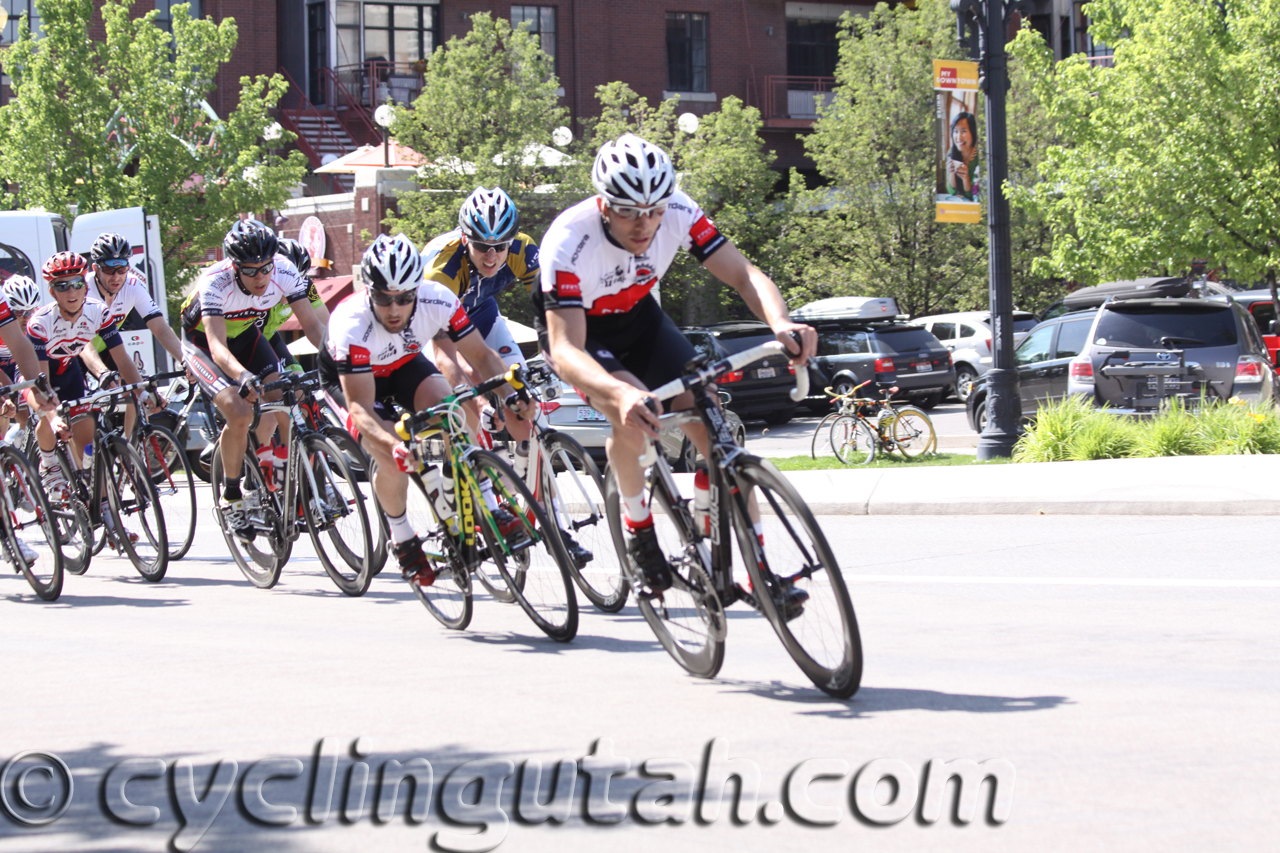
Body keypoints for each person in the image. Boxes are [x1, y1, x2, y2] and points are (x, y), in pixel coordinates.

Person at [535, 132, 816, 596]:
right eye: (628, 212)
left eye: (654, 211)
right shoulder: (568, 242)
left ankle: (760, 572)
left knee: (715, 428)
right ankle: (638, 527)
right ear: (604, 205)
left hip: (641, 319)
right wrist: (621, 393)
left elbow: (743, 273)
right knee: (636, 417)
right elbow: (566, 349)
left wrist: (781, 322)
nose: (644, 225)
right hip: (584, 336)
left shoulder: (680, 211)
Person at [320, 233, 533, 586]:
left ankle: (482, 506)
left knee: (455, 411)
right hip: (355, 381)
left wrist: (513, 395)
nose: (393, 310)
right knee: (391, 457)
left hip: (403, 364)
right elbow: (359, 408)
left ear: (417, 291)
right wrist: (394, 446)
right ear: (369, 293)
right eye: (384, 299)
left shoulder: (438, 299)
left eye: (404, 299)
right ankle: (402, 538)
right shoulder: (351, 324)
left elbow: (481, 355)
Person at [179, 220, 326, 541]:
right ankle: (232, 495)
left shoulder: (285, 270)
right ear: (234, 267)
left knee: (288, 397)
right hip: (203, 343)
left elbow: (313, 327)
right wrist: (242, 376)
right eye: (250, 271)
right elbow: (217, 348)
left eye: (265, 268)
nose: (261, 278)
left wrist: (340, 361)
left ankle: (276, 478)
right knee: (240, 411)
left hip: (247, 335)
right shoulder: (215, 283)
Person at [28, 252, 148, 548]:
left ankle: (109, 521)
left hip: (68, 370)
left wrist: (141, 391)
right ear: (52, 291)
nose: (71, 292)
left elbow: (122, 360)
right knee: (49, 410)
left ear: (85, 285)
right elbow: (40, 386)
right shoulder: (40, 322)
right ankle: (49, 465)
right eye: (62, 285)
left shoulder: (98, 311)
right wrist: (54, 418)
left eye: (77, 284)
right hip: (39, 375)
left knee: (86, 438)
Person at [421, 187, 535, 460]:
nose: (492, 257)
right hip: (431, 323)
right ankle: (466, 475)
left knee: (521, 388)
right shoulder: (441, 272)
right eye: (482, 246)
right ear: (465, 239)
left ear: (512, 241)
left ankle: (536, 487)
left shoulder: (522, 248)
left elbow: (553, 312)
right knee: (469, 404)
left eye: (500, 247)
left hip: (482, 312)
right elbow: (446, 358)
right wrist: (480, 401)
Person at [0, 276, 43, 446]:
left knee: (25, 415)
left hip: (16, 366)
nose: (27, 318)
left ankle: (22, 449)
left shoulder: (35, 323)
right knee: (5, 409)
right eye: (19, 313)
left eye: (31, 311)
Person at [945, 111, 980, 201]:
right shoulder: (950, 153)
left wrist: (965, 178)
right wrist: (952, 173)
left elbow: (973, 194)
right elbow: (951, 191)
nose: (959, 137)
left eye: (964, 131)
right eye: (956, 131)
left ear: (973, 133)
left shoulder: (979, 158)